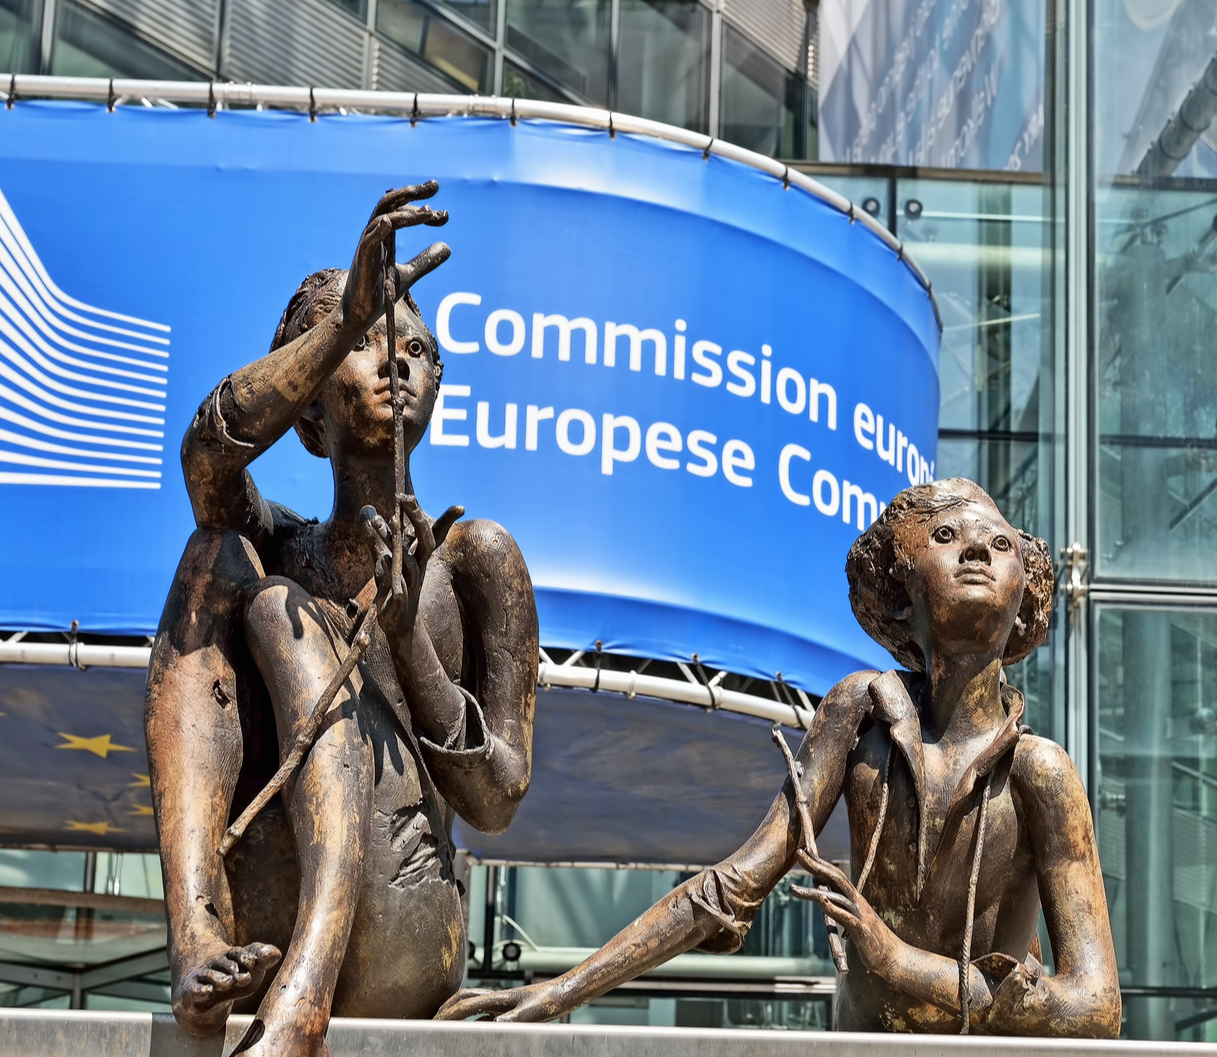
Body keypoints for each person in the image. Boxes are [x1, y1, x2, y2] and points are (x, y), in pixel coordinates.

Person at [440, 479, 1120, 1037]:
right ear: (902, 591)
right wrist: (559, 991)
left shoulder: (1041, 772)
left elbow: (1095, 1006)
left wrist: (897, 961)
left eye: (1000, 543)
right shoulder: (860, 715)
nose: (975, 549)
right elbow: (733, 883)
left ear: (1023, 599)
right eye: (945, 536)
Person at [145, 183, 539, 1057]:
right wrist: (336, 323)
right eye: (364, 344)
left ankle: (306, 996)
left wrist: (408, 642)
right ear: (309, 412)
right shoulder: (274, 545)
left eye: (417, 348)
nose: (396, 361)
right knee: (218, 562)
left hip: (398, 933)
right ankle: (196, 932)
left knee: (277, 603)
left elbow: (498, 799)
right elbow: (206, 457)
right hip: (264, 933)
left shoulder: (475, 560)